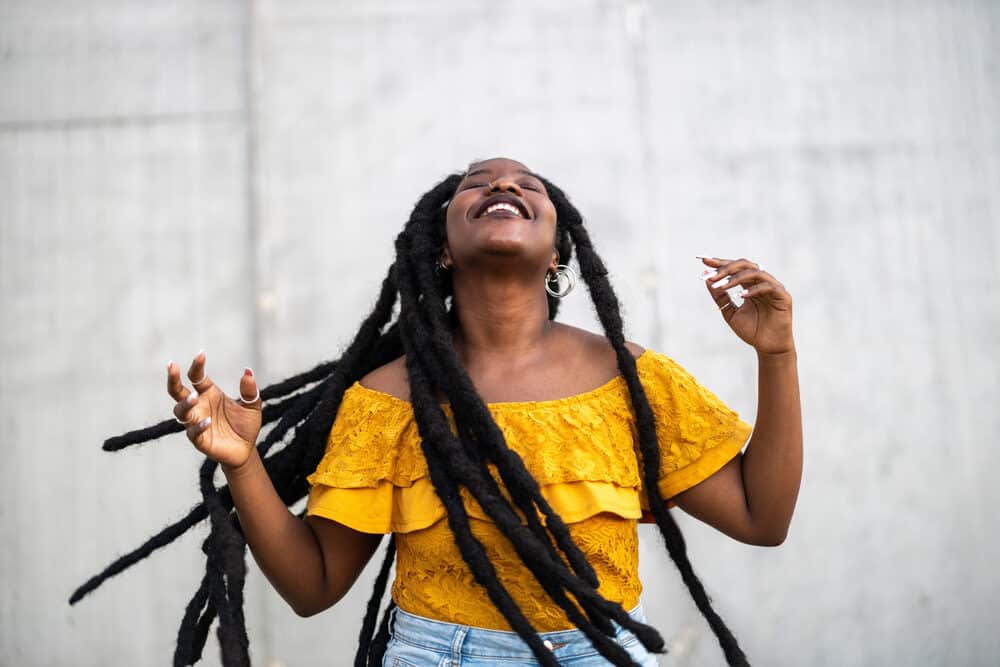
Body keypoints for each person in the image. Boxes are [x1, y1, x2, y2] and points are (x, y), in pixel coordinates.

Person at [72, 158, 802, 667]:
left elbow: (761, 518)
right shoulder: (387, 399)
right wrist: (244, 464)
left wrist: (777, 354)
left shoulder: (632, 380)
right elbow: (313, 585)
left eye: (526, 185)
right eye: (478, 185)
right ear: (441, 249)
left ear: (558, 255)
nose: (504, 185)